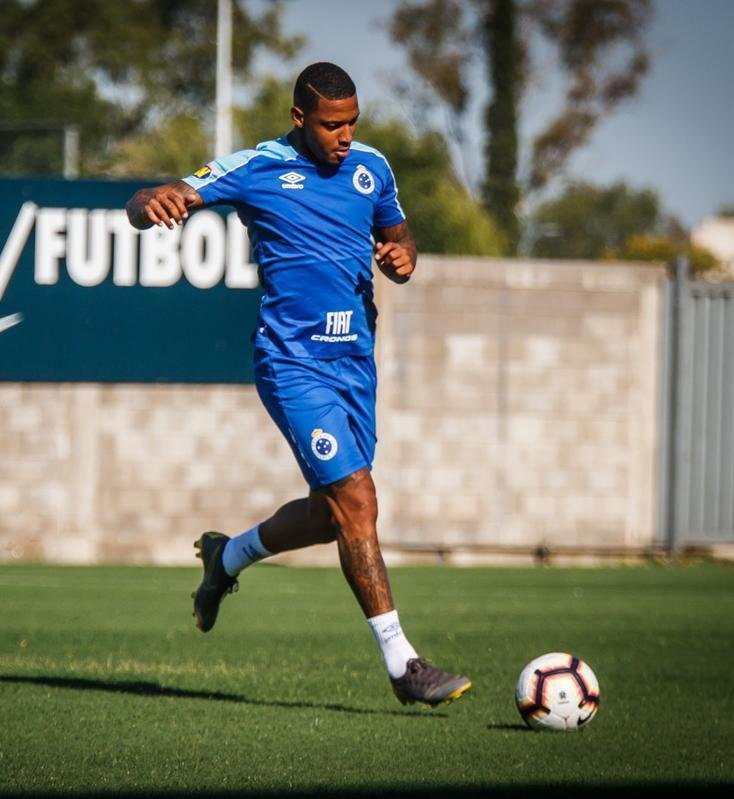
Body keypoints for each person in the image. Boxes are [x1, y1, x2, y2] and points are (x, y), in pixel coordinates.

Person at [125, 62, 471, 708]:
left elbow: (398, 238)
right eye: (332, 124)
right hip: (292, 365)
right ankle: (403, 663)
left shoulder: (373, 169)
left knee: (331, 514)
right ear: (299, 118)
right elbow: (157, 197)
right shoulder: (258, 167)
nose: (345, 136)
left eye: (352, 122)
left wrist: (404, 258)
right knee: (358, 500)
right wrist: (150, 204)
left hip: (356, 366)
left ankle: (226, 558)